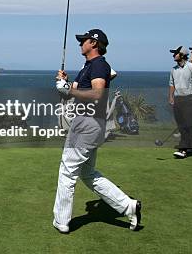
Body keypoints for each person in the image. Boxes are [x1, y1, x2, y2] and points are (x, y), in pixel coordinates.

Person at [52, 29, 141, 233]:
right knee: (87, 172)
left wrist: (69, 90)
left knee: (67, 172)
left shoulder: (99, 65)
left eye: (83, 40)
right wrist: (64, 83)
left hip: (86, 123)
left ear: (94, 43)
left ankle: (61, 221)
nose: (80, 43)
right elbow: (73, 92)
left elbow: (98, 94)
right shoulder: (89, 67)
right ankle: (128, 206)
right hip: (89, 124)